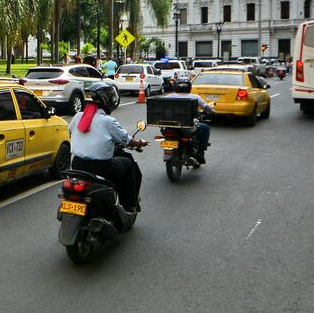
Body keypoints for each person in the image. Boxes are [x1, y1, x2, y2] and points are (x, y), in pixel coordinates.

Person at [67, 84, 147, 217]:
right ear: (107, 101)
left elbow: (71, 132)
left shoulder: (77, 117)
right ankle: (129, 205)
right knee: (128, 164)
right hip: (101, 168)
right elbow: (128, 140)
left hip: (76, 164)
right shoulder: (108, 121)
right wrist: (140, 143)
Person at [163, 78, 212, 163]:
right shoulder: (195, 97)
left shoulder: (169, 96)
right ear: (189, 87)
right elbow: (206, 107)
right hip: (188, 125)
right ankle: (200, 152)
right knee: (206, 128)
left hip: (170, 124)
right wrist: (212, 111)